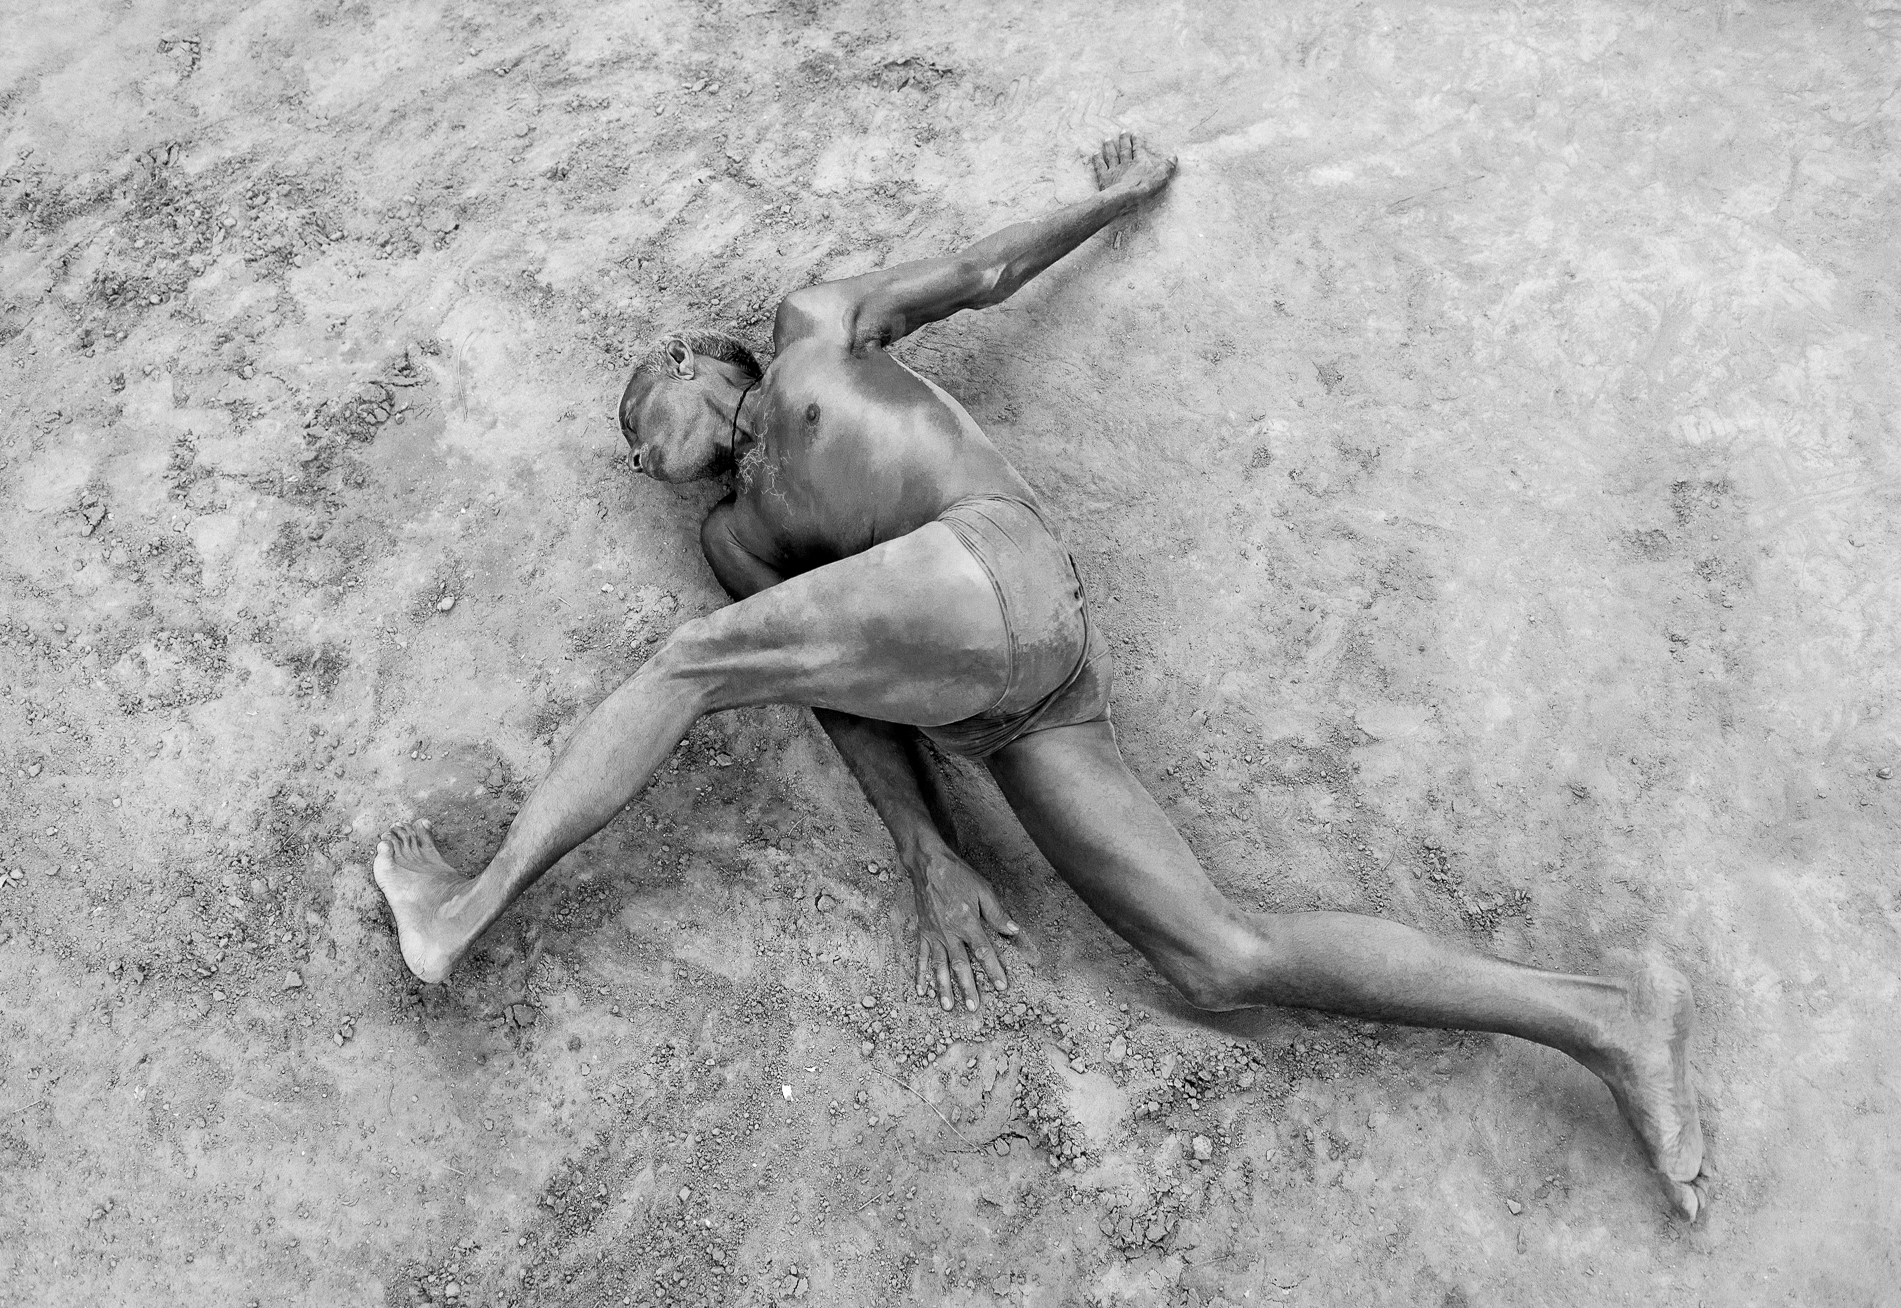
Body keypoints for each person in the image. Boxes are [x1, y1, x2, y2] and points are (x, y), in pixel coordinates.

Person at [374, 133, 1709, 1217]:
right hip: (1005, 698)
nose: (636, 437)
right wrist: (928, 854)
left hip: (989, 563)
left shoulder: (813, 331)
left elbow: (982, 272)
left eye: (639, 401)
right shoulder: (737, 543)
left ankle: (468, 905)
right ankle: (1602, 1017)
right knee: (1216, 955)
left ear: (695, 359)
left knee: (687, 664)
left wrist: (1108, 199)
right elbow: (847, 692)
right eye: (626, 445)